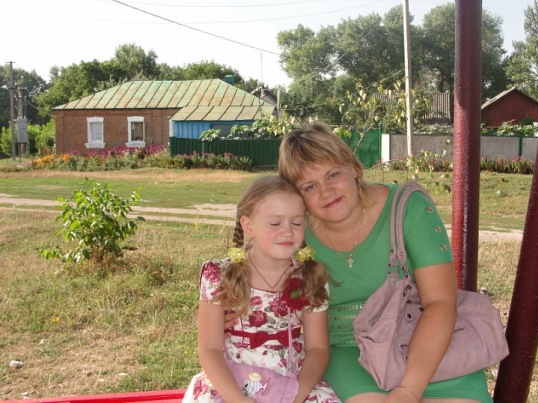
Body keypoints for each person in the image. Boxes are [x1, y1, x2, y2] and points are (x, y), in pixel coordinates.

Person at [275, 122, 494, 403]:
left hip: (428, 344)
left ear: (354, 167)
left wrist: (409, 390)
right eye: (309, 186)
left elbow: (440, 301)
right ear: (296, 196)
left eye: (333, 174)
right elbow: (255, 272)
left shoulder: (407, 207)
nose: (326, 191)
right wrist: (230, 309)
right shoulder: (294, 230)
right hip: (349, 352)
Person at [183, 175, 341, 403]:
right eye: (275, 223)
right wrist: (238, 400)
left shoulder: (310, 277)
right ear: (248, 226)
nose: (288, 231)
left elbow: (318, 349)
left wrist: (296, 396)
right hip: (231, 382)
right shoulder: (219, 275)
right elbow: (210, 349)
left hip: (290, 380)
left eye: (297, 223)